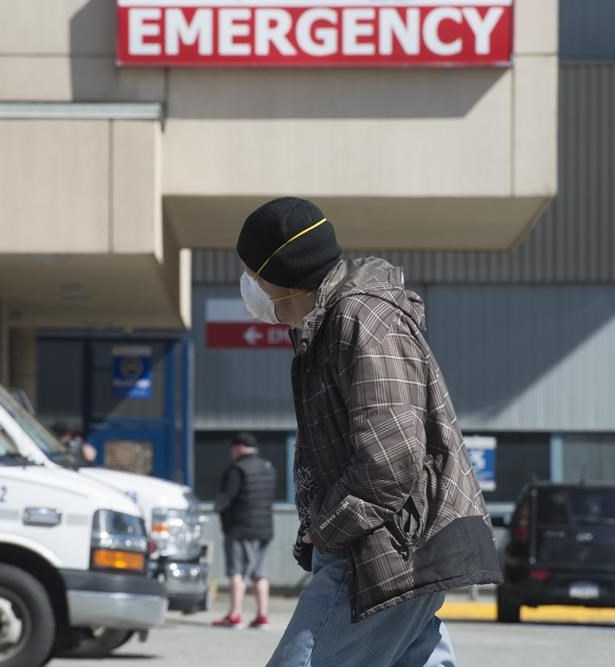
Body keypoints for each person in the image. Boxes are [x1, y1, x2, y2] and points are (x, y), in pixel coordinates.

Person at [235, 197, 502, 666]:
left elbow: (392, 457)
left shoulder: (361, 319)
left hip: (383, 549)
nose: (247, 285)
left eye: (250, 272)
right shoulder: (328, 327)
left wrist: (325, 531)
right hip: (390, 545)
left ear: (278, 273)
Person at [212, 432, 276, 630]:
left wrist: (217, 508)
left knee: (237, 572)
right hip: (265, 528)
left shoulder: (236, 469)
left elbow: (225, 499)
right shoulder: (268, 467)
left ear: (239, 448)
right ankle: (262, 616)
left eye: (232, 448)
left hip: (240, 528)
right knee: (260, 574)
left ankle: (234, 615)